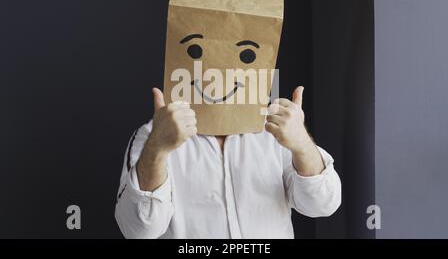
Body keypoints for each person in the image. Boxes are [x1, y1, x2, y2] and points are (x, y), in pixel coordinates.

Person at [115, 86, 341, 239]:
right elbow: (140, 230)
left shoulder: (274, 128)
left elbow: (322, 204)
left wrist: (301, 143)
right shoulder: (154, 134)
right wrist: (157, 148)